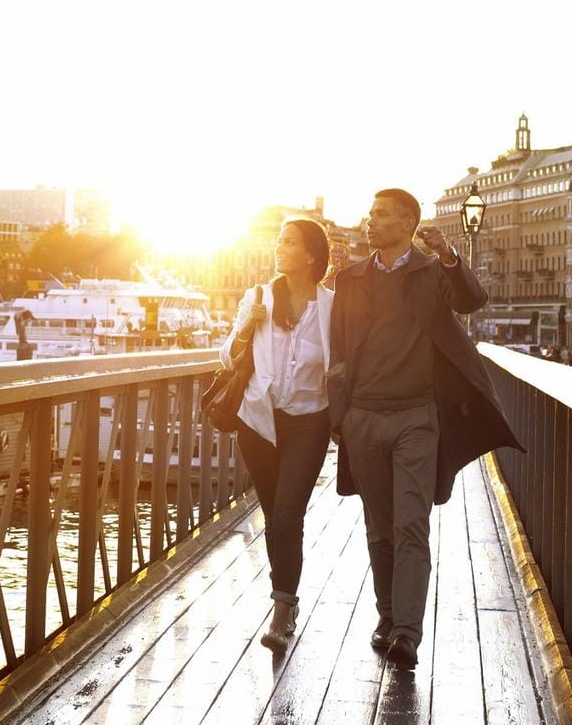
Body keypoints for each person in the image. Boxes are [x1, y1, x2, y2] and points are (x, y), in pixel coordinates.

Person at [329, 188, 521, 672]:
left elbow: (472, 300)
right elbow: (338, 354)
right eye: (370, 213)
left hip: (417, 417)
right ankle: (387, 615)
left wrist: (451, 255)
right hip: (364, 418)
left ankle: (407, 634)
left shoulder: (433, 271)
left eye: (380, 215)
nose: (370, 221)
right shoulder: (350, 279)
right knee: (379, 528)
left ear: (407, 222)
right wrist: (341, 418)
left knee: (410, 523)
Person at [222, 218, 334, 652]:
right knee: (276, 518)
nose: (279, 249)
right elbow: (229, 357)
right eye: (279, 241)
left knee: (288, 514)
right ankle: (287, 597)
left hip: (310, 420)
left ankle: (282, 610)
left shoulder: (331, 306)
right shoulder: (258, 297)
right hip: (258, 422)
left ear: (311, 255)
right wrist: (248, 326)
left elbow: (342, 362)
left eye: (289, 243)